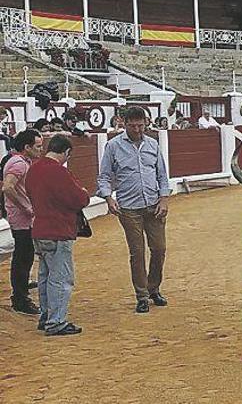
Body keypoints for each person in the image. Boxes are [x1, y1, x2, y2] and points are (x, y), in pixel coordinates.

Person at [97, 106, 171, 314]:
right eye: (133, 126)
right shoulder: (113, 146)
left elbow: (162, 176)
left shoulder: (153, 144)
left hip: (153, 204)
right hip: (128, 208)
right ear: (124, 123)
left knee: (159, 249)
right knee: (137, 252)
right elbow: (103, 176)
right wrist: (108, 198)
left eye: (141, 125)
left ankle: (153, 288)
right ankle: (142, 295)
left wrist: (164, 199)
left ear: (146, 123)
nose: (138, 130)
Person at [26, 134, 90, 335]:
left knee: (45, 276)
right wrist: (85, 193)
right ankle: (56, 322)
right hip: (58, 231)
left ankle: (46, 316)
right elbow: (79, 199)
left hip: (39, 229)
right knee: (61, 278)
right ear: (66, 152)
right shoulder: (60, 173)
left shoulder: (33, 169)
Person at [4, 129, 43, 315]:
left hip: (21, 216)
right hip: (21, 217)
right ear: (26, 147)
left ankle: (21, 290)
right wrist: (26, 208)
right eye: (37, 146)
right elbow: (8, 187)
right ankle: (19, 298)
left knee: (25, 255)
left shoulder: (20, 162)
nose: (40, 150)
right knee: (23, 256)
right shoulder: (19, 164)